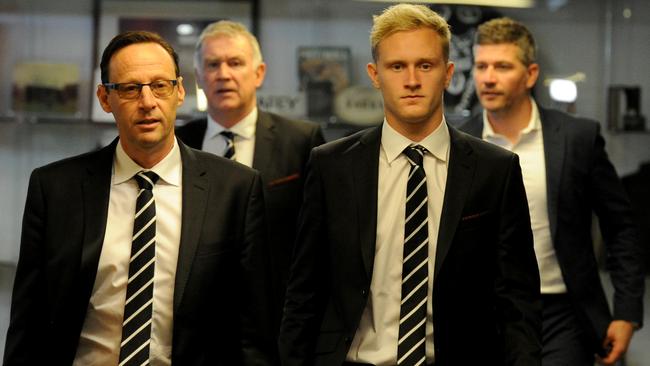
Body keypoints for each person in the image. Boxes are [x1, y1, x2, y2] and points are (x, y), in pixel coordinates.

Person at [279, 4, 541, 366]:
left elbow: (517, 299)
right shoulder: (332, 166)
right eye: (397, 66)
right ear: (375, 74)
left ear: (448, 74)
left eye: (426, 65)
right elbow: (304, 291)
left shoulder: (494, 170)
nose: (412, 80)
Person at [4, 31, 274, 365]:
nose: (147, 102)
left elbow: (253, 329)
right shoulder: (55, 189)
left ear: (179, 91)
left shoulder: (236, 188)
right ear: (105, 99)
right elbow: (28, 324)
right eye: (130, 89)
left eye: (160, 85)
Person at [460, 17, 645, 366]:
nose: (487, 77)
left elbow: (620, 227)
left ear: (530, 74)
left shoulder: (577, 138)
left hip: (562, 311)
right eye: (481, 66)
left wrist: (627, 312)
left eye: (502, 66)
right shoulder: (460, 143)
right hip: (486, 310)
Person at [175, 21, 325, 328]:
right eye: (213, 64)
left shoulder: (302, 141)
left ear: (259, 73)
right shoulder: (178, 142)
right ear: (199, 79)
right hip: (192, 320)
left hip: (277, 318)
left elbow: (319, 241)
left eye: (235, 63)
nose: (224, 74)